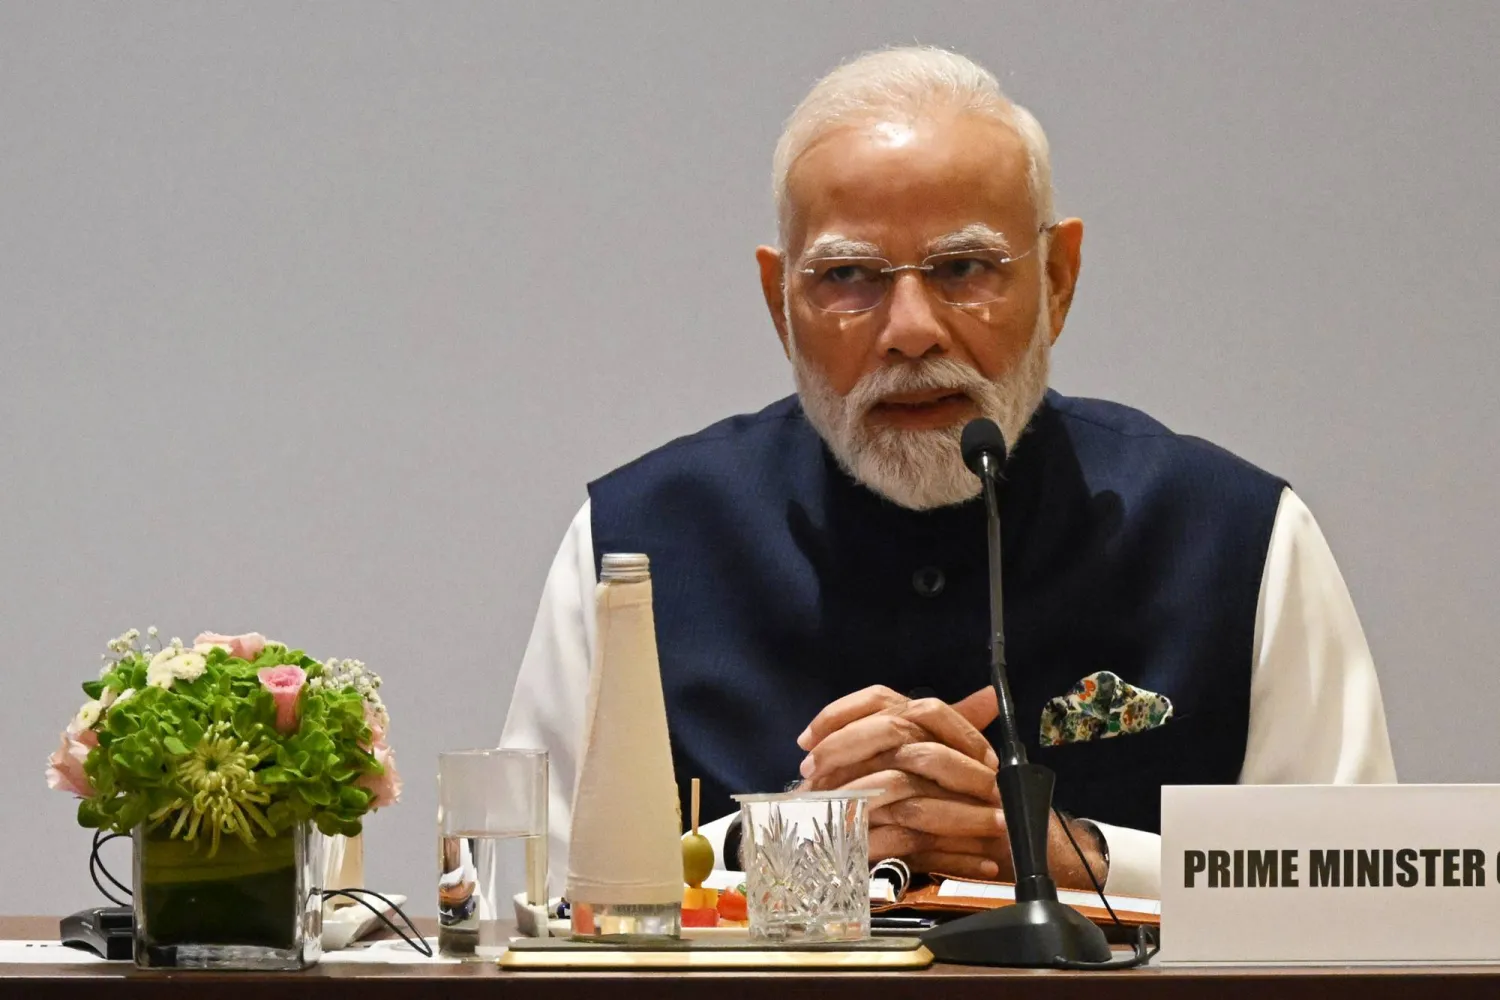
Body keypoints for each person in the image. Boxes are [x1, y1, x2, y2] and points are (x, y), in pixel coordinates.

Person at [500, 45, 1395, 901]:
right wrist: (782, 845)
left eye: (964, 267)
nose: (911, 328)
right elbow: (517, 904)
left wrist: (1081, 858)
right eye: (848, 276)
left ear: (1059, 278)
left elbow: (1358, 892)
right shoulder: (636, 547)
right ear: (781, 304)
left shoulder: (1235, 537)